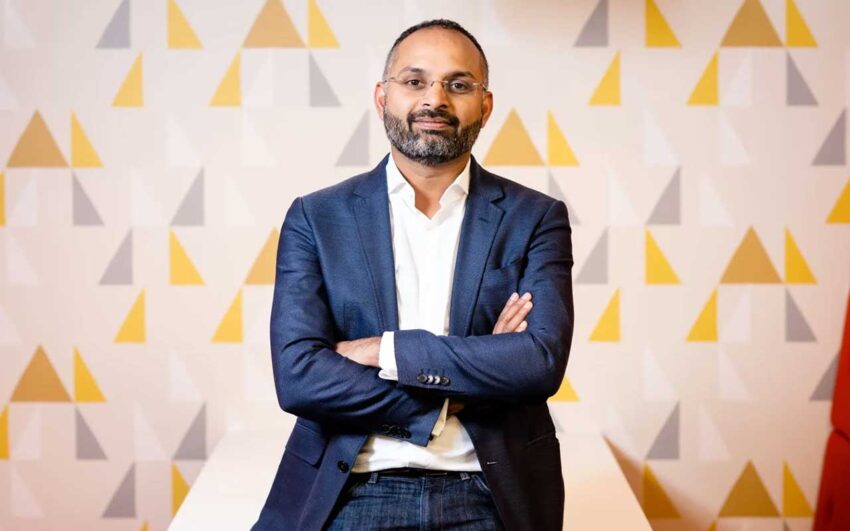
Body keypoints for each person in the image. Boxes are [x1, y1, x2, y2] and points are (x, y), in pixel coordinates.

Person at [252, 19, 574, 531]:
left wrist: (384, 351)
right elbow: (298, 377)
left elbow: (538, 362)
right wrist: (460, 388)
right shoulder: (316, 218)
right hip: (352, 487)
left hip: (489, 492)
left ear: (485, 105)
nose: (435, 99)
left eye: (458, 84)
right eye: (415, 81)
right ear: (383, 96)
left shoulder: (535, 217)